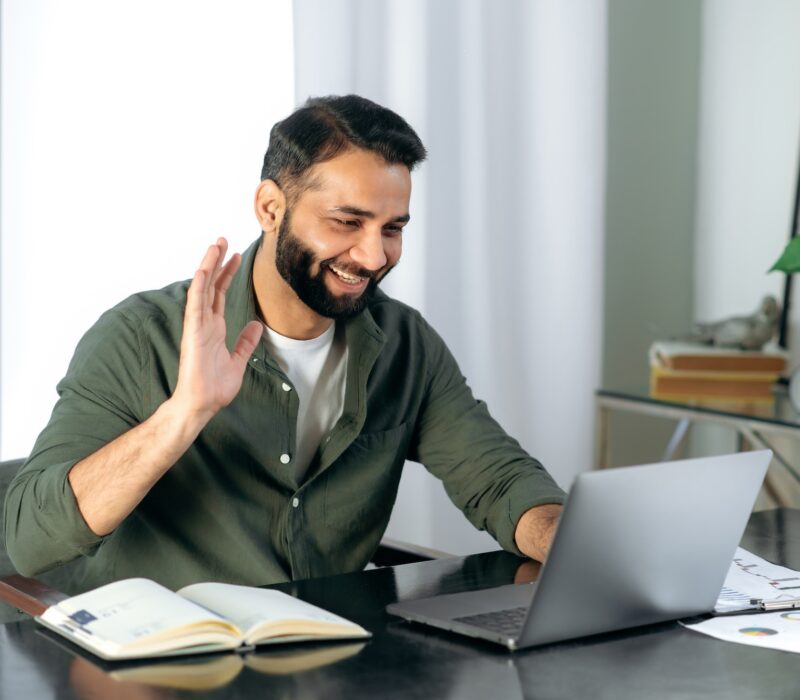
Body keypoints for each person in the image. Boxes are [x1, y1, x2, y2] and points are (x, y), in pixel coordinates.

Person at [4, 95, 565, 592]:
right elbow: (30, 540)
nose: (373, 258)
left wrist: (566, 540)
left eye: (392, 229)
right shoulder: (139, 337)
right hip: (157, 667)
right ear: (271, 208)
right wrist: (184, 414)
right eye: (347, 222)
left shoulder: (404, 342)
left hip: (328, 659)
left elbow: (496, 478)